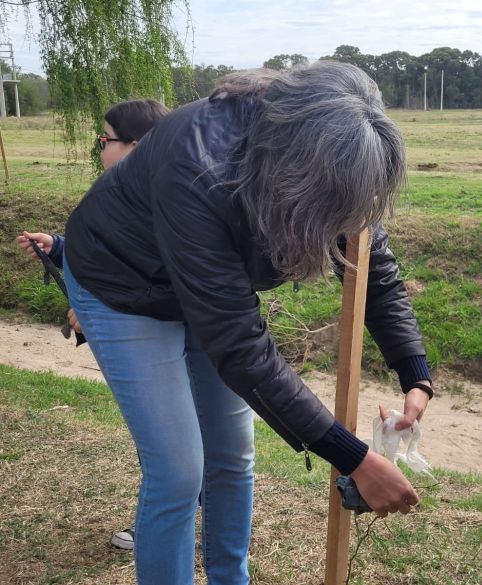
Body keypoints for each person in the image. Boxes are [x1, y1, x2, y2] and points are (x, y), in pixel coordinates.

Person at [62, 61, 434, 585]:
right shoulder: (199, 164)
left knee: (233, 456)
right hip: (120, 282)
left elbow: (373, 269)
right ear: (296, 167)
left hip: (203, 285)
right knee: (177, 472)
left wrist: (414, 373)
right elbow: (239, 347)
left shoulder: (334, 153)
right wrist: (356, 459)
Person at [16, 98, 170, 551]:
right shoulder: (134, 195)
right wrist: (59, 248)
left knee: (167, 449)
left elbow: (159, 278)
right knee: (170, 447)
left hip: (152, 342)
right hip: (142, 334)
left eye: (104, 140)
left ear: (136, 146)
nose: (99, 150)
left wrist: (99, 308)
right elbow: (112, 258)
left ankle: (165, 525)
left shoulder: (160, 202)